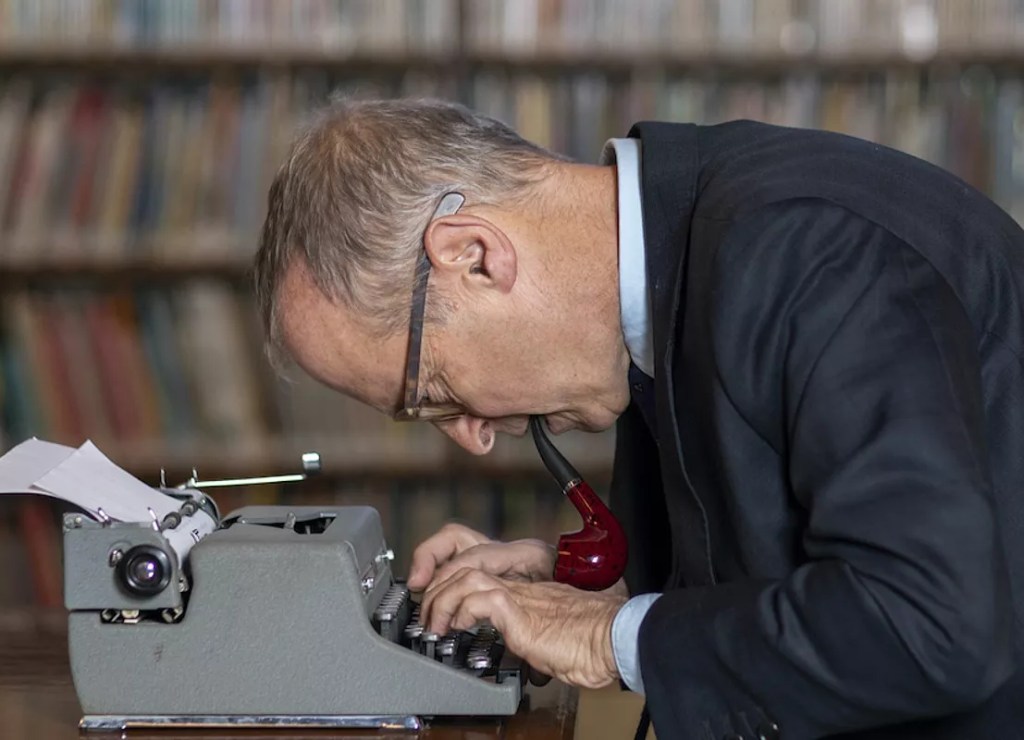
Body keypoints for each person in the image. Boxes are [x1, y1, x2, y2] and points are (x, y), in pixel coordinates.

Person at [253, 97, 1024, 739]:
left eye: (433, 391)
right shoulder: (678, 264)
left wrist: (606, 639)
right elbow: (808, 555)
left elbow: (932, 627)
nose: (473, 437)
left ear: (475, 257)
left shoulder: (805, 251)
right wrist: (594, 595)